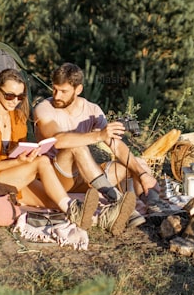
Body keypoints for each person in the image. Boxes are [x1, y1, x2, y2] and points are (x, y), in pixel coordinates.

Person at [33, 63, 159, 234]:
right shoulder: (44, 108)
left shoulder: (92, 109)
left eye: (63, 91)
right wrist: (99, 135)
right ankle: (119, 201)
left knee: (131, 167)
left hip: (85, 175)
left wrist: (142, 174)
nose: (56, 96)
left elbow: (116, 145)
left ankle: (155, 210)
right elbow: (58, 141)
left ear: (78, 89)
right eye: (54, 90)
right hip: (57, 175)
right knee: (77, 147)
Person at [0, 68, 98, 228]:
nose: (14, 101)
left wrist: (28, 156)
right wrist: (21, 162)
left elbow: (18, 154)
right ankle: (74, 211)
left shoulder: (17, 118)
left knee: (53, 200)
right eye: (9, 95)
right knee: (42, 162)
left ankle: (97, 218)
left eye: (20, 97)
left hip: (13, 175)